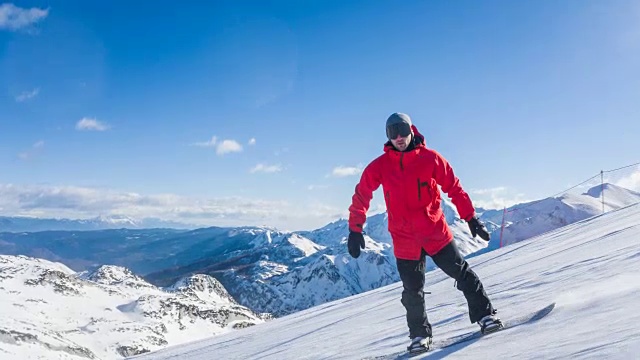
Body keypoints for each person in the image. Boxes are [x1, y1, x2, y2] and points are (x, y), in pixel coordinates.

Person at [346, 112, 502, 354]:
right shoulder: (380, 166)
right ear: (388, 136)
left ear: (411, 130)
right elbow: (362, 194)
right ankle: (420, 336)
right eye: (392, 132)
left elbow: (454, 187)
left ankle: (485, 316)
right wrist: (355, 228)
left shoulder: (430, 159)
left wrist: (470, 217)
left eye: (402, 130)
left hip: (434, 232)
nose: (398, 137)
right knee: (412, 292)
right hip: (404, 239)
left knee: (462, 273)